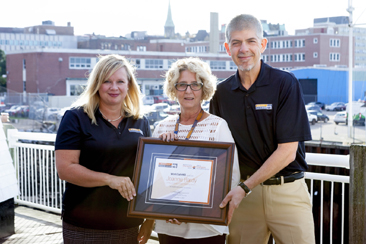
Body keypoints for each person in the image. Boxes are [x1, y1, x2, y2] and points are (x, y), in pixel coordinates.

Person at [209, 14, 315, 244]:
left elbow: (287, 151)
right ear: (228, 48)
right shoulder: (220, 94)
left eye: (251, 41)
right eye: (236, 42)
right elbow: (214, 150)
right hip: (243, 199)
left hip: (286, 193)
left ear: (263, 45)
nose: (243, 49)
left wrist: (243, 188)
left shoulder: (285, 83)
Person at [55, 54, 154, 244]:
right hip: (84, 224)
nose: (114, 87)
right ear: (97, 85)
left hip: (127, 224)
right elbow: (65, 169)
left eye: (120, 81)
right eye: (107, 81)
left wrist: (150, 219)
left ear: (129, 86)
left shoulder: (141, 121)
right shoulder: (76, 118)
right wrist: (109, 180)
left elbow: (148, 174)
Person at [152, 57, 240, 244]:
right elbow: (152, 177)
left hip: (205, 226)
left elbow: (231, 175)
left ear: (204, 89)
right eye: (182, 85)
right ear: (174, 89)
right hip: (168, 223)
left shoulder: (217, 126)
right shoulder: (161, 127)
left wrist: (195, 211)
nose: (188, 91)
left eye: (195, 85)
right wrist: (162, 149)